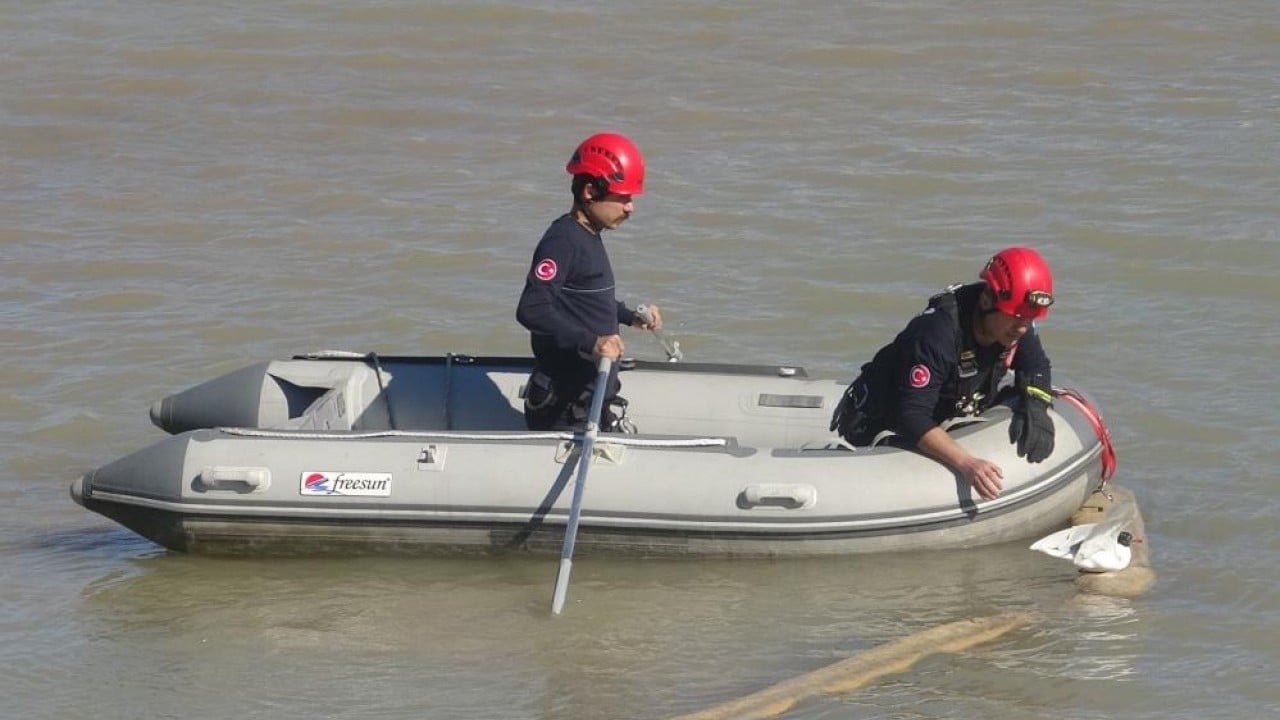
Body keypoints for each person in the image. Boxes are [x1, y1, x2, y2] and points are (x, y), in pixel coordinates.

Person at [829, 247, 1057, 501]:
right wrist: (967, 463)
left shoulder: (1011, 327)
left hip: (943, 411)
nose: (1023, 328)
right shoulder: (938, 334)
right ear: (987, 300)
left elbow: (1037, 367)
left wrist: (1037, 408)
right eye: (1017, 318)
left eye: (1029, 319)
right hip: (881, 425)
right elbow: (912, 416)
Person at [516, 132, 662, 432]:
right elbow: (532, 308)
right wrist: (593, 342)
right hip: (565, 408)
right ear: (590, 191)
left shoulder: (589, 236)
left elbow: (584, 298)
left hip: (592, 398)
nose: (630, 207)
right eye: (623, 198)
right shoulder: (562, 240)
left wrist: (629, 316)